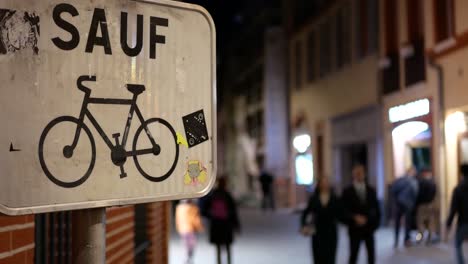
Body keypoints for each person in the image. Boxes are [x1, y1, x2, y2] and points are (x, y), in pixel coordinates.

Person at [342, 164, 380, 264]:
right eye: (357, 173)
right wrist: (354, 218)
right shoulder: (347, 191)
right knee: (353, 255)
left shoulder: (371, 190)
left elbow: (376, 210)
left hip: (368, 228)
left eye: (361, 172)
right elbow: (343, 210)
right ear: (353, 174)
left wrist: (373, 224)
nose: (359, 175)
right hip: (354, 229)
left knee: (371, 256)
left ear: (364, 174)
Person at [301, 177, 341, 264]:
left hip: (331, 231)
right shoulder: (314, 198)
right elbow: (305, 213)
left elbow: (341, 213)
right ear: (319, 185)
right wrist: (304, 226)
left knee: (330, 257)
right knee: (318, 257)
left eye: (326, 182)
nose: (324, 185)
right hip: (317, 231)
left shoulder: (335, 198)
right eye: (322, 183)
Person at [202, 177, 240, 264]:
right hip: (226, 224)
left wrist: (211, 216)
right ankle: (229, 262)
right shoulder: (227, 195)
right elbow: (233, 212)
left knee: (218, 248)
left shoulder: (213, 195)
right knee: (227, 247)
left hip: (216, 224)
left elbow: (204, 210)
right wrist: (236, 225)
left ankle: (219, 262)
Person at [390, 166, 419, 247]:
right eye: (413, 172)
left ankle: (397, 240)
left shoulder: (400, 179)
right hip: (407, 204)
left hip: (399, 203)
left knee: (399, 223)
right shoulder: (413, 181)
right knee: (406, 223)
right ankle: (405, 240)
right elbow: (415, 193)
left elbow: (393, 190)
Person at [447, 164, 468, 264]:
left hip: (463, 221)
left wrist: (448, 223)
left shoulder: (458, 189)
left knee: (458, 244)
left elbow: (453, 208)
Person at [175, 199, 204, 264]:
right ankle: (189, 257)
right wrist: (200, 227)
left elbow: (177, 219)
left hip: (183, 229)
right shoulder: (193, 207)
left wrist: (178, 228)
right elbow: (195, 219)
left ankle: (186, 257)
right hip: (191, 229)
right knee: (191, 244)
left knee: (185, 244)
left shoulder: (179, 207)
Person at [415, 168, 437, 245]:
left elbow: (418, 195)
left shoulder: (420, 183)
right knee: (430, 222)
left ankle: (419, 239)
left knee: (420, 223)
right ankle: (430, 239)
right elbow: (434, 194)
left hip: (421, 205)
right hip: (430, 204)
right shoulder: (433, 183)